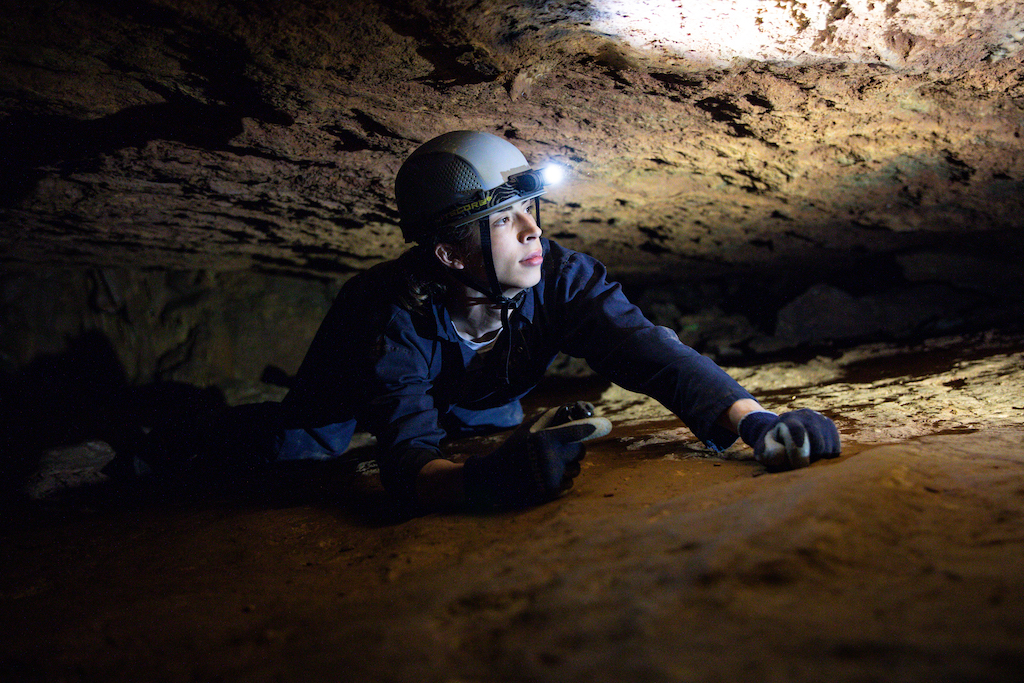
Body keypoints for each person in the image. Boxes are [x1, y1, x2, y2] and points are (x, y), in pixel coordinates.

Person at [130, 131, 841, 511]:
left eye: (531, 209)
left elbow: (653, 354)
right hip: (349, 391)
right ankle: (177, 440)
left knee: (494, 429)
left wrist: (755, 422)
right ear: (449, 251)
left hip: (478, 393)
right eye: (505, 220)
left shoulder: (559, 275)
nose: (534, 231)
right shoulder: (388, 314)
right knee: (303, 454)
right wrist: (476, 488)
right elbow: (407, 451)